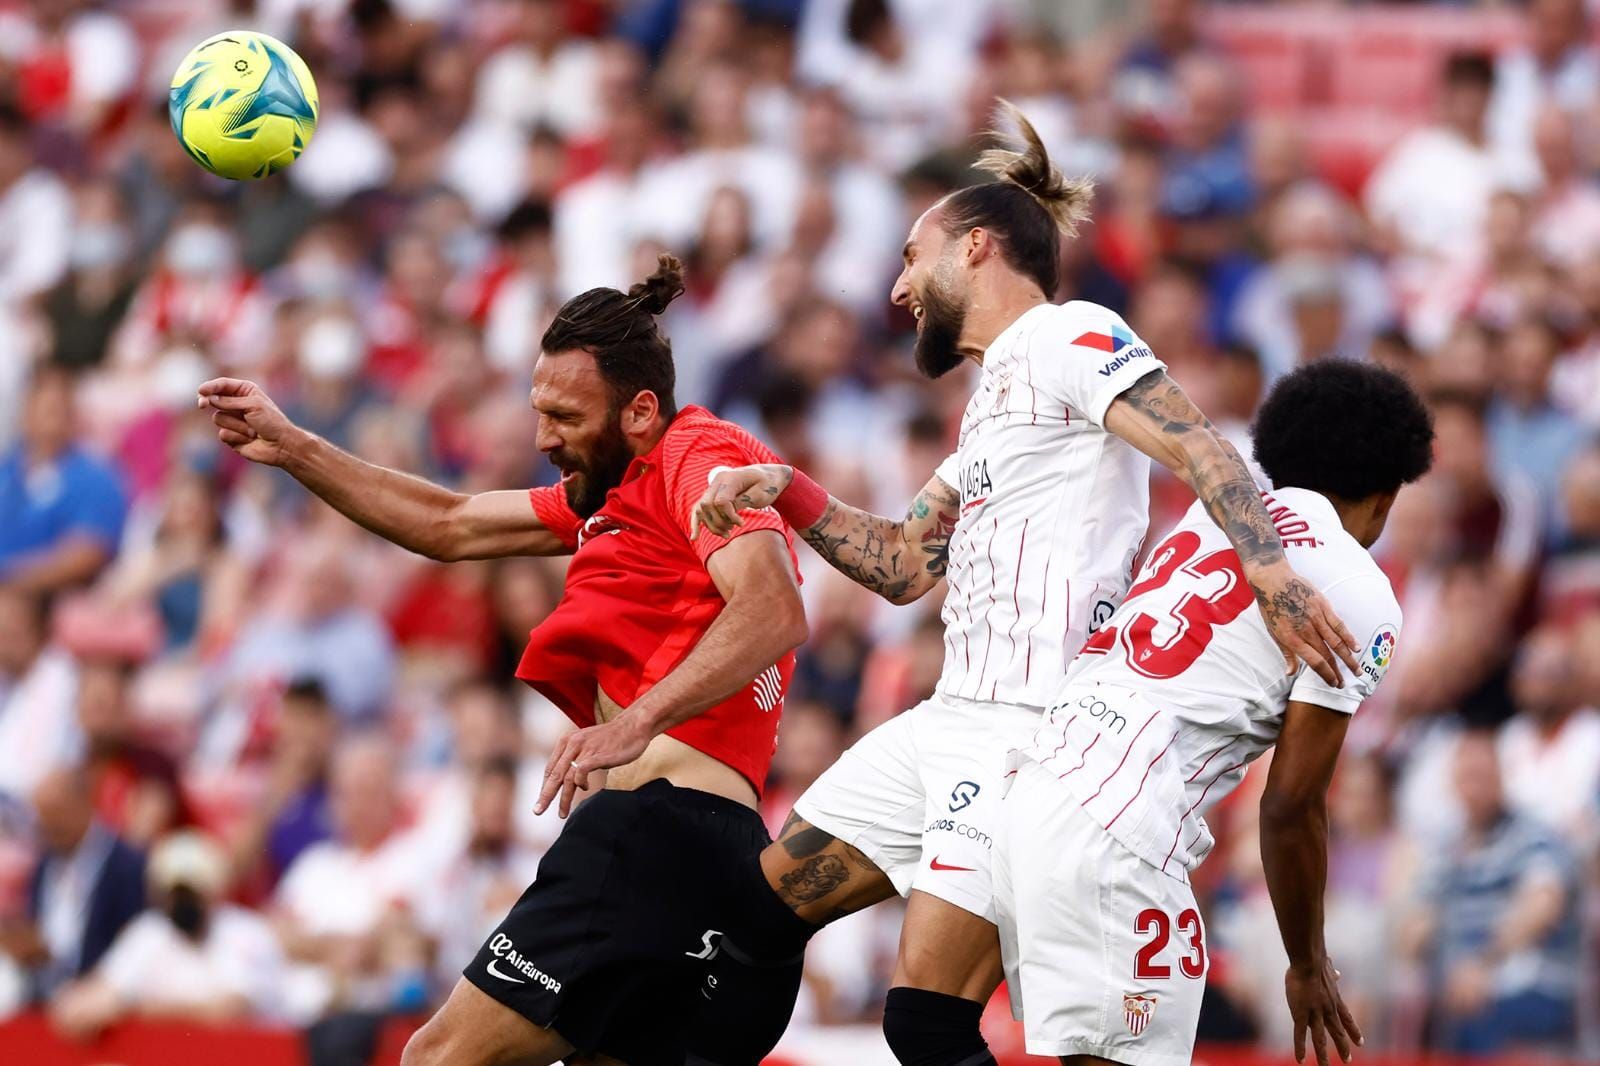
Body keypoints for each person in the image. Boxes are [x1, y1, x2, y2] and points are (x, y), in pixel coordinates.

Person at [690, 103, 1360, 1064]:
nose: (896, 286)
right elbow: (902, 565)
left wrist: (1271, 571)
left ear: (974, 248)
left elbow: (1198, 443)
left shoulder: (1070, 335)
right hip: (946, 716)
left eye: (912, 257)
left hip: (1028, 734)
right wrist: (785, 489)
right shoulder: (991, 402)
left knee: (925, 1023)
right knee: (751, 918)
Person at [198, 255, 809, 1065]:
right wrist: (295, 445)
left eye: (563, 415)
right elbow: (450, 522)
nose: (541, 437)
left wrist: (637, 723)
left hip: (652, 830)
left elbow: (773, 608)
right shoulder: (614, 497)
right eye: (536, 411)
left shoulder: (699, 453)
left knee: (438, 1059)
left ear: (640, 410)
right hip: (711, 855)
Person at [991, 361, 1434, 1065]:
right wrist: (1308, 963)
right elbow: (1291, 805)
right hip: (1122, 827)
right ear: (1384, 499)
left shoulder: (1212, 513)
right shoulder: (1359, 589)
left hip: (1031, 785)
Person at [49, 830, 285, 1037]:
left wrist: (132, 1008)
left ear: (213, 891)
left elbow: (230, 1010)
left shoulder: (245, 933)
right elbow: (102, 992)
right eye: (174, 893)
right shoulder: (151, 933)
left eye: (190, 893)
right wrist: (83, 1003)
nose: (182, 903)